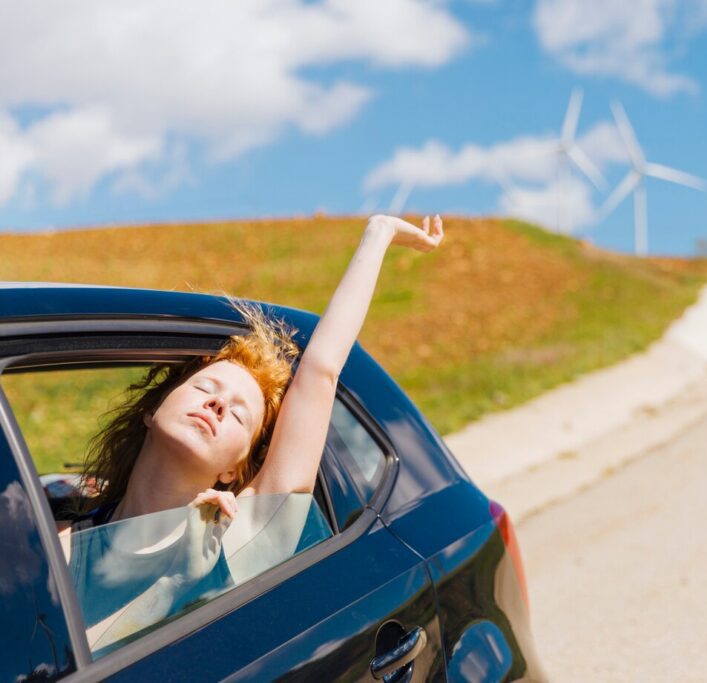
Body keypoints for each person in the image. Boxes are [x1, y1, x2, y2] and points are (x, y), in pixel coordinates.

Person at [60, 214, 444, 649]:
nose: (218, 403)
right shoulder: (64, 538)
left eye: (239, 414)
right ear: (152, 410)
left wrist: (379, 233)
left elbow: (320, 372)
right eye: (205, 387)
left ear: (233, 469)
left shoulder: (242, 538)